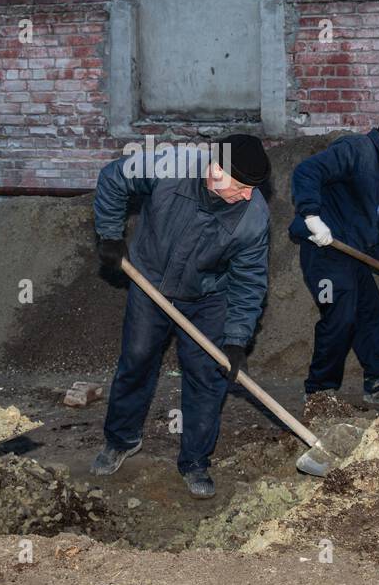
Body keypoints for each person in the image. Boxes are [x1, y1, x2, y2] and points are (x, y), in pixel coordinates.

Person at [90, 135, 271, 498]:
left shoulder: (253, 217)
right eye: (241, 186)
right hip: (150, 280)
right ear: (215, 171)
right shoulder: (170, 166)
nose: (248, 195)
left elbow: (249, 280)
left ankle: (195, 461)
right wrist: (110, 235)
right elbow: (113, 177)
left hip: (208, 295)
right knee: (137, 358)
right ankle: (121, 439)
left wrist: (236, 339)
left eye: (253, 188)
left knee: (207, 374)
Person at [289, 102, 379, 405]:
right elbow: (307, 171)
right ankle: (320, 391)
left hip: (356, 255)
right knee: (340, 316)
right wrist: (311, 216)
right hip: (324, 251)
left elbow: (377, 224)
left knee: (371, 314)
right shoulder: (355, 149)